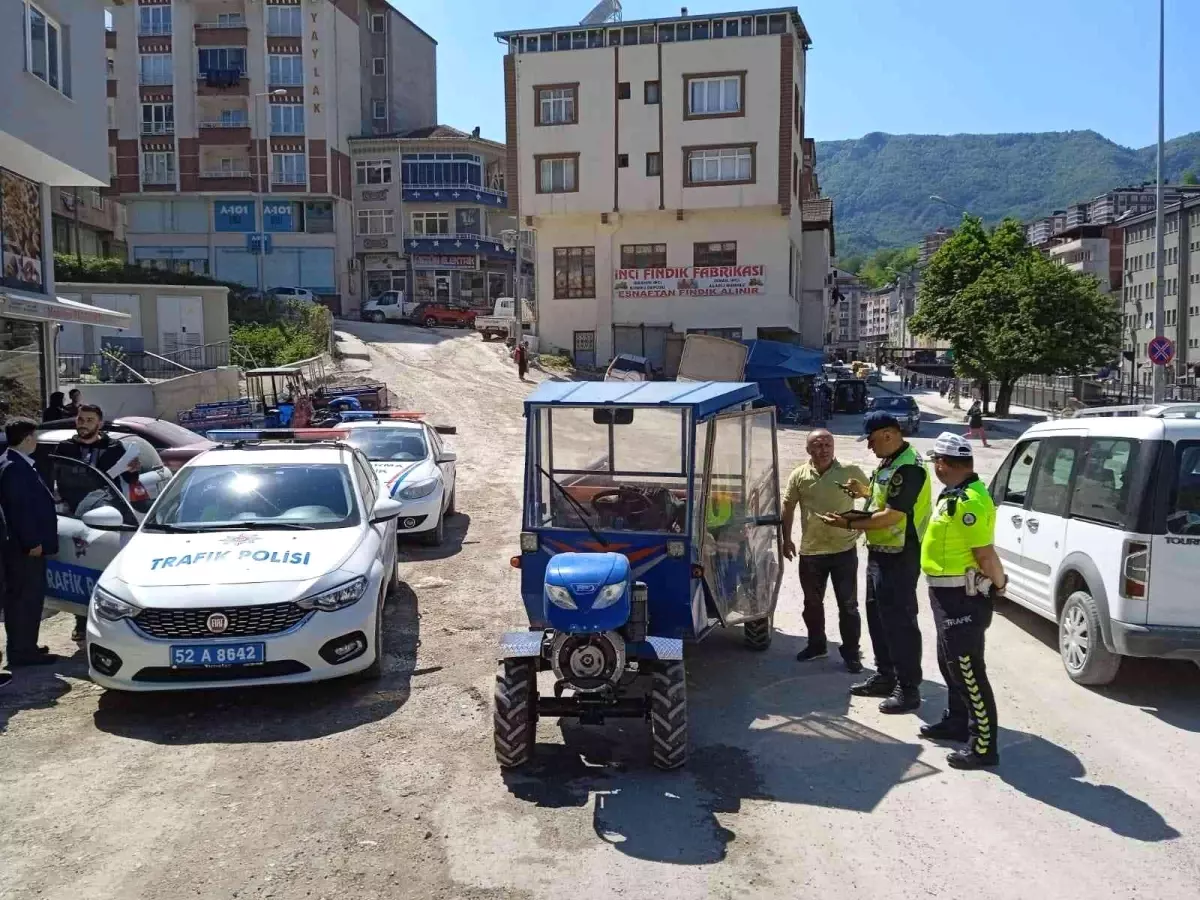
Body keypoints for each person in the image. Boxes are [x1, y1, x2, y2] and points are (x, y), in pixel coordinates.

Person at [819, 411, 931, 713]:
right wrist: (863, 492)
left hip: (899, 556)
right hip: (881, 553)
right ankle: (884, 675)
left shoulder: (909, 468)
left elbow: (893, 515)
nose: (869, 447)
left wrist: (848, 524)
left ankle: (908, 690)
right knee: (878, 619)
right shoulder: (890, 462)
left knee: (900, 624)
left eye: (871, 440)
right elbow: (885, 499)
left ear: (889, 434)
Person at [920, 432, 1007, 769]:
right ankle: (957, 722)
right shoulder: (955, 494)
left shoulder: (970, 501)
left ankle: (984, 747)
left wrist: (1000, 585)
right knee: (949, 663)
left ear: (943, 464)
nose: (935, 468)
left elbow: (985, 555)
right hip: (945, 593)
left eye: (935, 463)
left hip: (962, 597)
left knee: (969, 671)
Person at [782, 429, 869, 672]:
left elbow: (872, 496)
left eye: (828, 444)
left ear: (834, 447)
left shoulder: (850, 471)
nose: (823, 450)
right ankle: (816, 645)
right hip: (811, 552)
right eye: (817, 446)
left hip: (844, 550)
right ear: (808, 450)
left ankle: (851, 653)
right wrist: (786, 539)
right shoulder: (799, 475)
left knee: (848, 606)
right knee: (812, 603)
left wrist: (861, 523)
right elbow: (788, 507)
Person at [54, 404, 140, 642]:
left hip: (104, 516)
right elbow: (58, 477)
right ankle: (80, 620)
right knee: (76, 568)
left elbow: (129, 479)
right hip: (72, 513)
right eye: (81, 419)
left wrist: (133, 470)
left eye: (89, 420)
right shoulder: (66, 447)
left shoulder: (113, 447)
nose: (83, 423)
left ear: (99, 424)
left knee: (99, 569)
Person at [0, 418, 61, 667]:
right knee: (26, 599)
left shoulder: (12, 462)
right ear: (27, 438)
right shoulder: (15, 467)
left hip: (19, 546)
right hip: (24, 548)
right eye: (34, 437)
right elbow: (19, 509)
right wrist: (33, 541)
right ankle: (22, 652)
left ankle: (24, 646)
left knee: (23, 599)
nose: (36, 441)